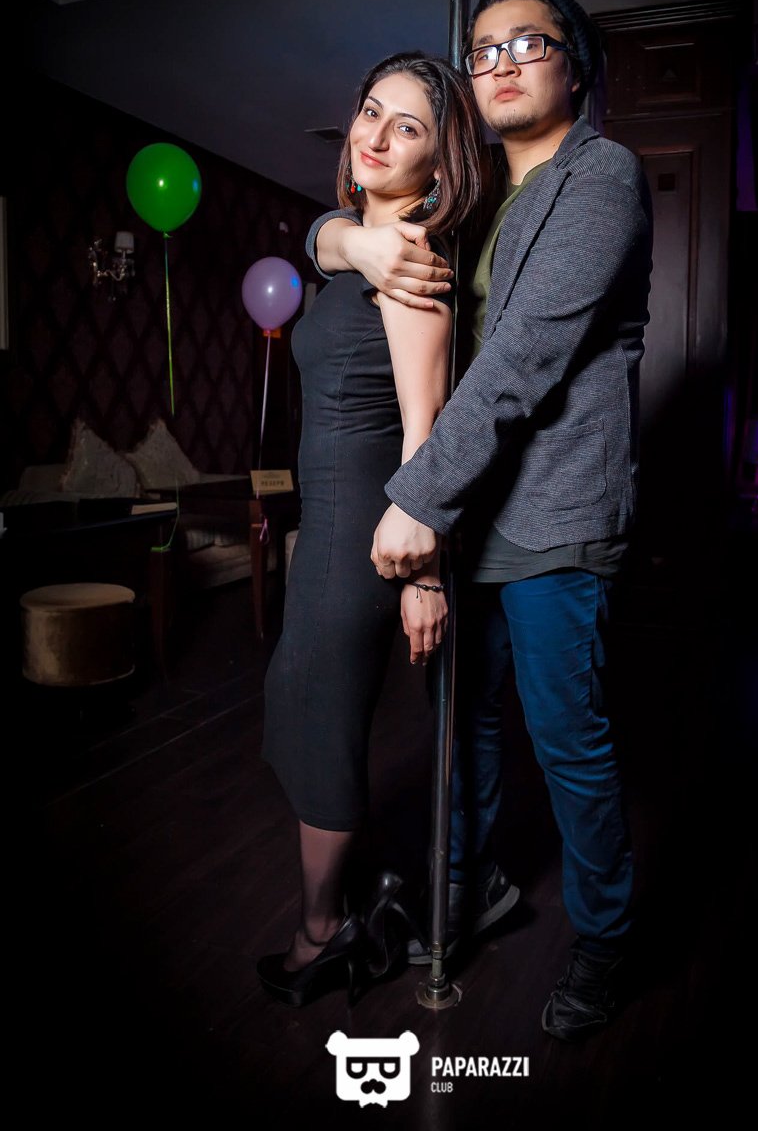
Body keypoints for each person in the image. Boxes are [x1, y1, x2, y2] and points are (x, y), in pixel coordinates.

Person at [312, 0, 653, 1040]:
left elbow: (522, 357)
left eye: (526, 43)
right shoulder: (471, 201)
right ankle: (467, 888)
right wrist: (344, 240)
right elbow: (343, 224)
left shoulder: (600, 176)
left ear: (575, 66)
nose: (499, 63)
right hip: (475, 515)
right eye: (483, 48)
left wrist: (413, 500)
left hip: (554, 517)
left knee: (567, 741)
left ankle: (606, 939)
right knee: (465, 727)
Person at [258, 51, 485, 1007]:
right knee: (300, 710)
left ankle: (323, 936)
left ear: (440, 161)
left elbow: (425, 428)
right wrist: (345, 240)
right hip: (331, 522)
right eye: (369, 111)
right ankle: (336, 918)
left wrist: (425, 575)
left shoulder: (413, 265)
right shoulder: (361, 244)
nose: (376, 136)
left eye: (408, 127)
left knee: (318, 723)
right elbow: (330, 240)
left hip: (364, 531)